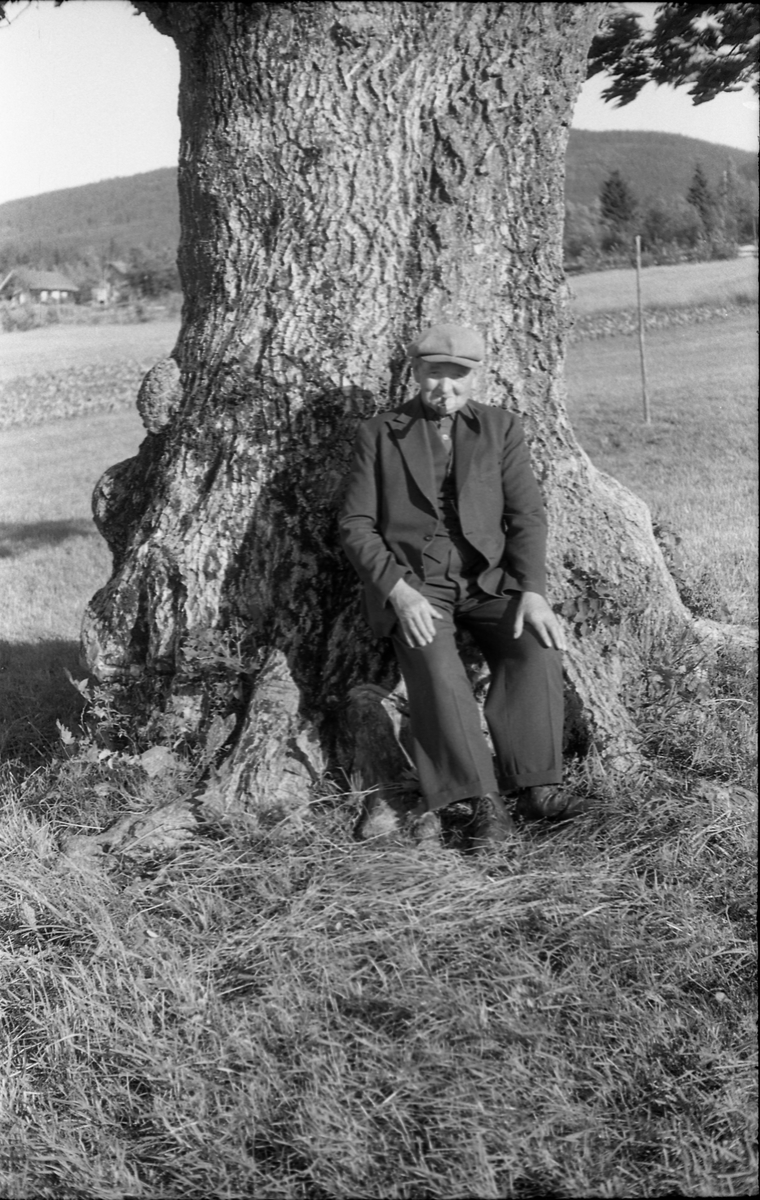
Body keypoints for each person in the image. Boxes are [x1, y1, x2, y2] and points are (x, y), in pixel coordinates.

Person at [339, 322, 578, 851]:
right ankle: (484, 805)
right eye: (432, 375)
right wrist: (399, 592)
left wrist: (531, 590)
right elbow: (355, 524)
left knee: (536, 647)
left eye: (457, 377)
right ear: (415, 372)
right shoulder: (379, 433)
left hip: (489, 581)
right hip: (418, 585)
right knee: (438, 668)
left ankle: (536, 785)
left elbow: (527, 515)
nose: (443, 388)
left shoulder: (500, 428)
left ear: (475, 378)